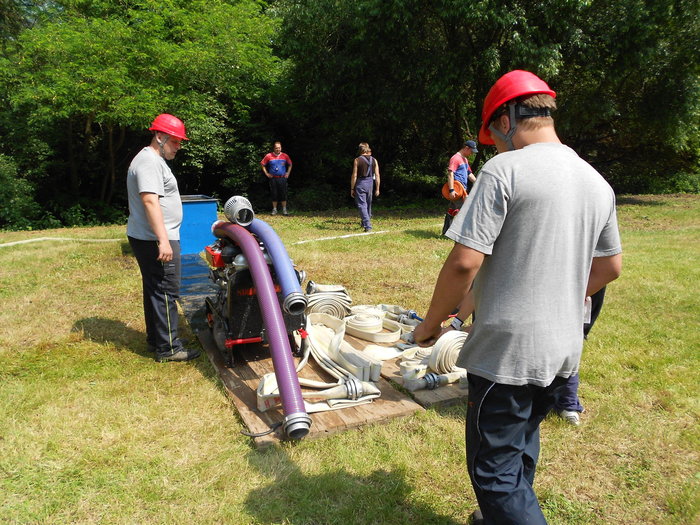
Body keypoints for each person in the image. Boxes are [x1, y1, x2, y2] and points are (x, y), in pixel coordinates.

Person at [412, 70, 622, 524]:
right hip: (563, 348)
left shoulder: (504, 171)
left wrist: (430, 326)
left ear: (507, 120)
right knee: (522, 440)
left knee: (494, 471)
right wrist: (558, 296)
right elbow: (609, 267)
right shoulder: (595, 181)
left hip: (507, 355)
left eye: (495, 138)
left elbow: (464, 263)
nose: (496, 148)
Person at [126, 113, 201, 363]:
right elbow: (150, 201)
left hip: (149, 237)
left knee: (155, 289)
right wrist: (164, 240)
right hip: (155, 239)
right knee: (166, 290)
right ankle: (168, 348)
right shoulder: (149, 162)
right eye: (175, 141)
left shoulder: (152, 160)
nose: (178, 147)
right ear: (160, 136)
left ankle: (157, 339)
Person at [555, 286, 607, 425]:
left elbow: (610, 273)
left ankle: (567, 401)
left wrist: (575, 294)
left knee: (570, 338)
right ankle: (566, 401)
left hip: (581, 291)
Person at [443, 140, 478, 235]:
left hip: (463, 189)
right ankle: (460, 234)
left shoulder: (464, 159)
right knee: (464, 211)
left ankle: (446, 232)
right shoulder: (455, 158)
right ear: (466, 148)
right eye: (471, 151)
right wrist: (451, 190)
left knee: (452, 210)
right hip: (457, 189)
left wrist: (477, 182)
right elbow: (450, 174)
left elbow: (469, 173)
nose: (471, 153)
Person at [350, 142, 381, 232]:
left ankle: (368, 226)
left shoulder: (357, 160)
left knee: (362, 205)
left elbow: (354, 175)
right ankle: (364, 222)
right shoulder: (374, 160)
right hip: (370, 183)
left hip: (361, 183)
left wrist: (352, 188)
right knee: (368, 203)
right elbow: (377, 175)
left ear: (360, 150)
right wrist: (377, 188)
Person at [260, 141, 293, 215]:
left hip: (282, 178)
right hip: (273, 178)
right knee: (274, 193)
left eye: (279, 148)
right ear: (274, 148)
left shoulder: (285, 156)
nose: (278, 149)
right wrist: (267, 173)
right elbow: (262, 164)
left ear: (281, 148)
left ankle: (284, 210)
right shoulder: (269, 156)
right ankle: (274, 209)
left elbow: (290, 164)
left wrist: (288, 173)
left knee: (283, 193)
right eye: (276, 148)